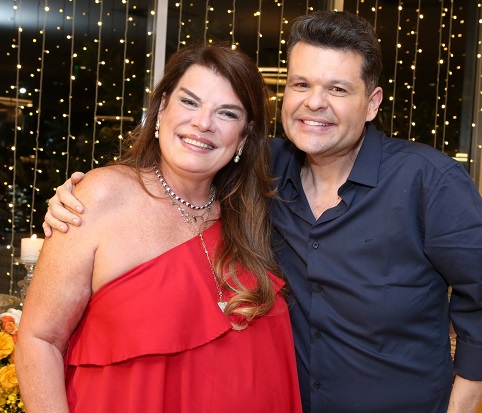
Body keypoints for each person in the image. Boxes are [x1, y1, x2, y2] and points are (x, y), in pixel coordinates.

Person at [42, 10, 482, 413]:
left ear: (371, 104)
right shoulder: (259, 172)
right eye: (301, 84)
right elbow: (186, 160)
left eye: (337, 89)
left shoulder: (429, 182)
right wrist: (84, 196)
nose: (315, 103)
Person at [15, 43, 302, 413]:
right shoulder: (100, 196)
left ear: (244, 138)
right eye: (190, 102)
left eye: (227, 113)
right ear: (163, 107)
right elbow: (40, 340)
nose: (203, 123)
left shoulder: (254, 213)